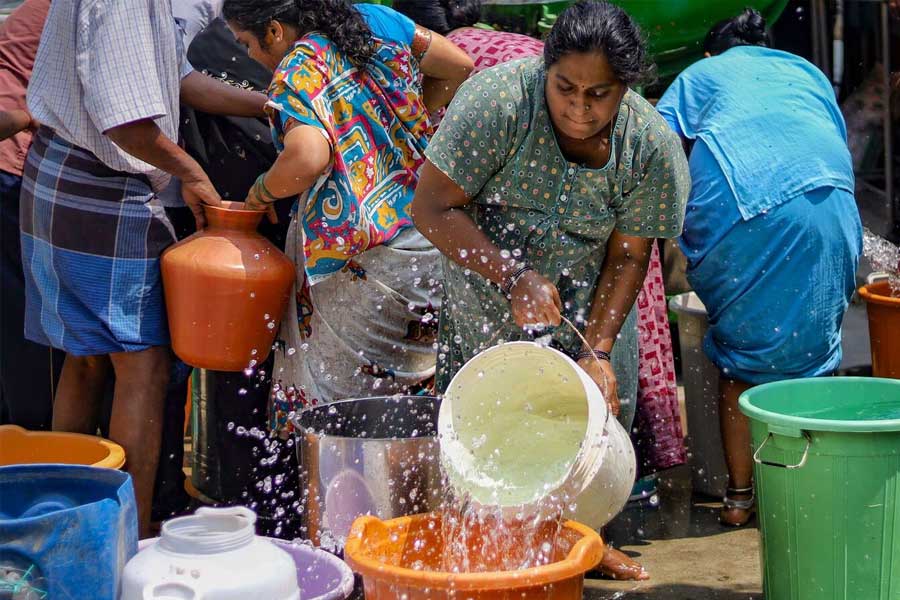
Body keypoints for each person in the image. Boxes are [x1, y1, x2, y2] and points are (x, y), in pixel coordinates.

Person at [411, 0, 690, 579]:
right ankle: (494, 553)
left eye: (600, 94)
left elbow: (630, 253)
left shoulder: (650, 146)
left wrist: (598, 350)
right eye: (566, 88)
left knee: (588, 425)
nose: (580, 108)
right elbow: (431, 207)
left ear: (626, 90)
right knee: (490, 426)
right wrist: (510, 276)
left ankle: (580, 545)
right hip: (486, 284)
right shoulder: (497, 103)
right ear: (546, 69)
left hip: (591, 300)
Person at [20, 0, 273, 537]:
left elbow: (173, 77)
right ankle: (125, 535)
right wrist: (193, 174)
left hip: (60, 169)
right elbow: (127, 123)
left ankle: (66, 516)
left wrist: (268, 106)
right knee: (144, 366)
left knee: (85, 358)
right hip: (100, 182)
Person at [656, 9, 862, 527]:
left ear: (712, 53)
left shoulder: (700, 75)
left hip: (740, 214)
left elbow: (654, 147)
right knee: (815, 361)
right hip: (833, 210)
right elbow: (823, 139)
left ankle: (739, 499)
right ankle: (813, 491)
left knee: (742, 366)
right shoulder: (804, 70)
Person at [222, 0, 450, 436]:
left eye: (247, 42)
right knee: (413, 418)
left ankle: (346, 500)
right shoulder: (378, 20)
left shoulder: (299, 67)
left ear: (274, 29)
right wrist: (400, 125)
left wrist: (259, 192)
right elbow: (457, 64)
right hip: (427, 242)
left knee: (343, 419)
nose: (250, 55)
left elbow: (307, 158)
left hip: (358, 264)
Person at [0, 0, 63, 432]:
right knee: (31, 322)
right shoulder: (63, 14)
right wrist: (28, 118)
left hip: (14, 174)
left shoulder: (31, 11)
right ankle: (34, 439)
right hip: (16, 175)